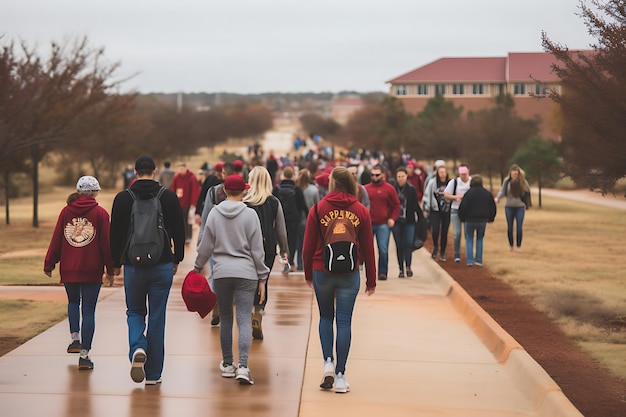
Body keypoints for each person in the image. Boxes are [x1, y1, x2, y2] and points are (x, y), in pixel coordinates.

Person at [110, 155, 186, 385]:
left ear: (135, 172)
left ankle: (137, 347)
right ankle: (153, 374)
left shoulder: (123, 199)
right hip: (162, 263)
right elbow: (179, 231)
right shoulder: (169, 197)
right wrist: (177, 258)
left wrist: (115, 263)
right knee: (157, 317)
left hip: (133, 266)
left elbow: (115, 234)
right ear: (154, 171)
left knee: (134, 311)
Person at [303, 166, 376, 393]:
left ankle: (327, 361)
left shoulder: (318, 209)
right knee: (344, 321)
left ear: (332, 183)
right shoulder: (361, 211)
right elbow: (368, 248)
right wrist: (371, 280)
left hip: (321, 270)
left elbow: (306, 248)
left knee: (325, 316)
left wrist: (308, 273)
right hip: (349, 273)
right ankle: (341, 375)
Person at [194, 175, 270, 385]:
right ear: (244, 191)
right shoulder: (250, 215)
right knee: (244, 318)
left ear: (225, 191)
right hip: (247, 273)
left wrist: (197, 267)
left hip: (222, 272)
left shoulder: (214, 214)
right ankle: (243, 367)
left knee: (226, 319)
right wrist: (262, 276)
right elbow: (257, 250)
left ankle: (228, 364)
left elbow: (206, 245)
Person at [44, 176, 114, 371]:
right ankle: (85, 355)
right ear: (96, 192)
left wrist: (49, 263)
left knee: (73, 302)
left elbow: (57, 238)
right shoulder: (101, 214)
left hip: (69, 268)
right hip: (92, 269)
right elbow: (105, 245)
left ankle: (75, 338)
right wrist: (110, 269)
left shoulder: (66, 212)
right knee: (89, 311)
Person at [243, 166, 289, 340]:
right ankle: (259, 312)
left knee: (247, 281)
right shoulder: (273, 202)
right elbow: (281, 230)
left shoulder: (243, 201)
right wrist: (284, 250)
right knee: (263, 281)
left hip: (245, 247)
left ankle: (246, 314)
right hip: (267, 247)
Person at [364, 165, 400, 280]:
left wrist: (392, 218)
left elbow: (396, 205)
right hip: (368, 224)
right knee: (367, 250)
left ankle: (382, 272)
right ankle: (369, 273)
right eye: (372, 175)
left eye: (377, 175)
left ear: (382, 175)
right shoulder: (365, 189)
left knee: (383, 249)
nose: (374, 177)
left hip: (383, 224)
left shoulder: (389, 189)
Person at [273, 166, 308, 274]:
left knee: (282, 243)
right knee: (293, 242)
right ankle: (292, 262)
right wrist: (307, 215)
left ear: (283, 175)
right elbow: (302, 205)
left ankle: (285, 263)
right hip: (294, 219)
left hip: (280, 219)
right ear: (293, 175)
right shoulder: (297, 189)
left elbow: (273, 204)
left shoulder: (277, 189)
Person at [458, 175, 497, 266]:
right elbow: (492, 207)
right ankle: (479, 260)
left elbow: (463, 207)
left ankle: (470, 261)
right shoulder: (487, 193)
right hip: (482, 220)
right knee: (480, 239)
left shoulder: (468, 193)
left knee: (469, 239)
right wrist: (491, 218)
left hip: (469, 219)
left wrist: (462, 218)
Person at [392, 167, 421, 278]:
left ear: (406, 177)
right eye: (398, 177)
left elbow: (415, 205)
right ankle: (401, 269)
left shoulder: (411, 189)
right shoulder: (393, 189)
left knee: (408, 243)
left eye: (402, 176)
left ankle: (408, 266)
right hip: (397, 221)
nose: (400, 179)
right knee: (399, 245)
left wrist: (421, 218)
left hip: (409, 221)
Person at [495, 164, 531, 252]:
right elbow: (502, 191)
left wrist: (527, 203)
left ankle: (518, 246)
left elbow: (528, 192)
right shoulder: (506, 181)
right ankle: (511, 245)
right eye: (513, 171)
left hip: (520, 207)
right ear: (510, 172)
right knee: (510, 227)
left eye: (516, 171)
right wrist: (497, 198)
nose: (515, 173)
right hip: (509, 207)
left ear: (519, 173)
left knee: (519, 227)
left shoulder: (523, 181)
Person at [444, 164, 471, 263]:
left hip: (468, 211)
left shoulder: (472, 182)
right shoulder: (454, 182)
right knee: (457, 233)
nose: (463, 176)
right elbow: (446, 194)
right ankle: (457, 254)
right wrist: (456, 197)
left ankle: (469, 254)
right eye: (461, 174)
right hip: (455, 209)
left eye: (465, 174)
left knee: (468, 234)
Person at [423, 164, 451, 261]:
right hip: (435, 210)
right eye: (441, 172)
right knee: (435, 231)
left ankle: (442, 252)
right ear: (437, 173)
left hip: (446, 210)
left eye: (444, 172)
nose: (442, 174)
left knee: (444, 232)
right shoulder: (432, 182)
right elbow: (427, 195)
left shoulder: (450, 183)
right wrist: (426, 208)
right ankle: (435, 247)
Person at [295, 168, 320, 271]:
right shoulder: (314, 189)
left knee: (300, 243)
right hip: (311, 219)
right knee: (311, 243)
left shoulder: (296, 189)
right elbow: (317, 205)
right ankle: (309, 264)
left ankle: (300, 264)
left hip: (299, 219)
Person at [169, 163, 200, 244]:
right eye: (179, 169)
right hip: (179, 202)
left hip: (188, 203)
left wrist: (193, 203)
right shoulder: (176, 177)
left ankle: (188, 236)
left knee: (188, 220)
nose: (181, 170)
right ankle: (182, 236)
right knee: (180, 221)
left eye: (182, 169)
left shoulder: (191, 178)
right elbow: (172, 189)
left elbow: (194, 191)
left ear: (186, 169)